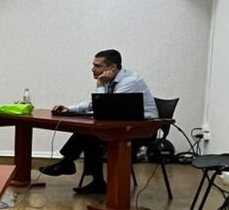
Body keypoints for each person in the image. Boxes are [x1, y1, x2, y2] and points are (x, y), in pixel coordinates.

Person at [41, 49, 157, 195]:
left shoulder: (130, 81)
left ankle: (68, 163)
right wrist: (69, 109)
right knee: (88, 133)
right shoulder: (111, 79)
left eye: (97, 66)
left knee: (90, 134)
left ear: (112, 67)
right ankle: (95, 181)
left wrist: (101, 84)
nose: (92, 69)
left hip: (142, 128)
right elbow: (94, 103)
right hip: (122, 124)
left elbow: (105, 107)